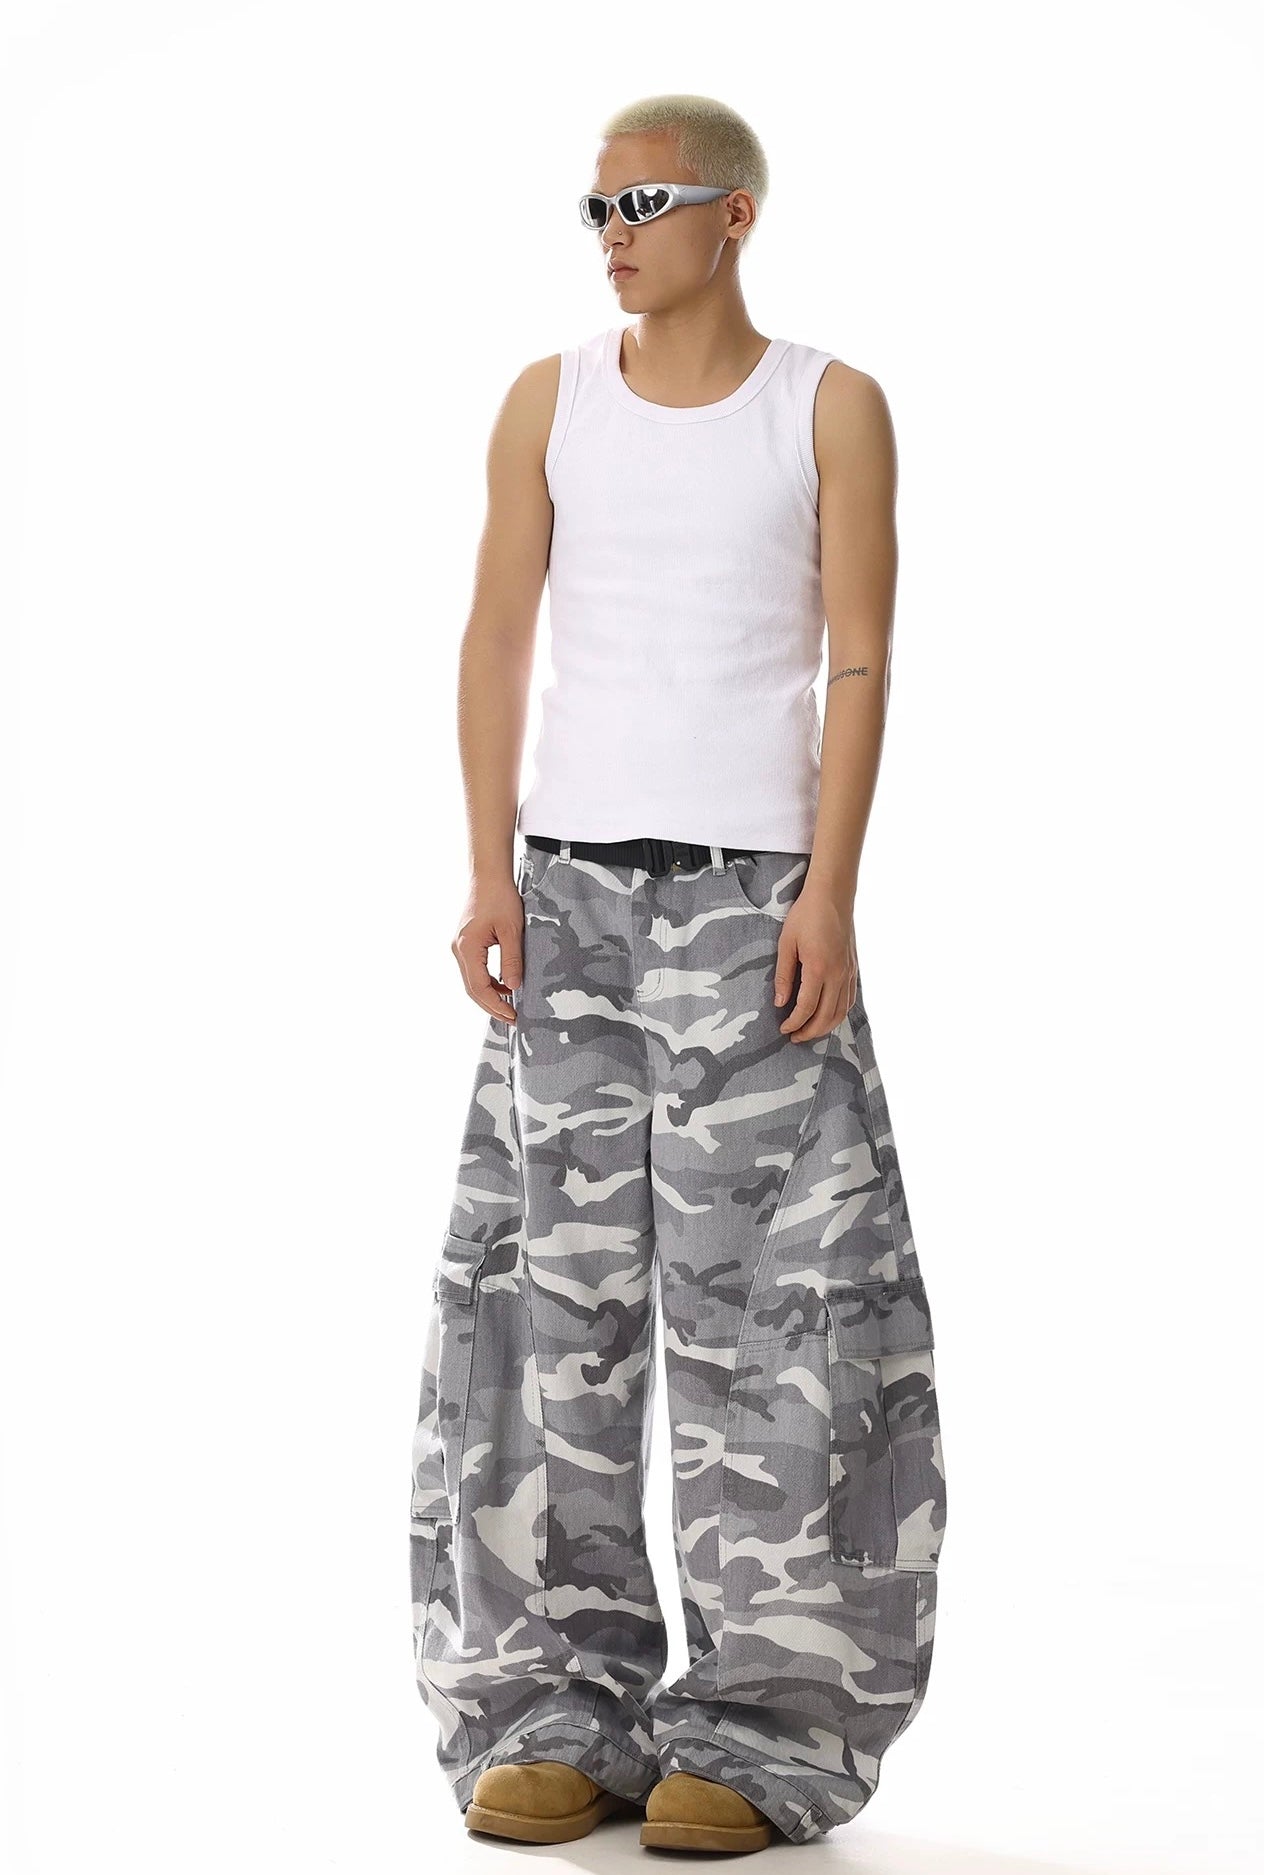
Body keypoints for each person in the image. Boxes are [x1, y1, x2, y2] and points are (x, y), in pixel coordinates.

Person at [408, 92, 946, 1854]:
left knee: (786, 1314)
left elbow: (858, 659)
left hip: (754, 905)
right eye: (596, 207)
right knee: (543, 1312)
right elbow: (498, 634)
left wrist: (831, 893)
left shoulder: (827, 405)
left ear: (736, 215)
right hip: (568, 903)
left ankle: (770, 1725)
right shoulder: (550, 400)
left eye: (643, 202)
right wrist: (488, 867)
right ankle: (547, 1704)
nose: (613, 233)